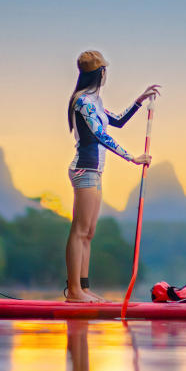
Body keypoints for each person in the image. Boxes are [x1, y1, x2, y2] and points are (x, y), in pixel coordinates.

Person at [65, 50, 160, 303]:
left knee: (89, 232)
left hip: (95, 172)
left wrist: (139, 101)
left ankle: (83, 289)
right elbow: (99, 135)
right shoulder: (83, 101)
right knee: (80, 230)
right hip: (84, 170)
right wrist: (132, 157)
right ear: (101, 73)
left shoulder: (94, 101)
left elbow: (117, 121)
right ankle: (74, 291)